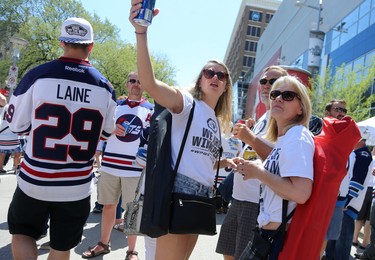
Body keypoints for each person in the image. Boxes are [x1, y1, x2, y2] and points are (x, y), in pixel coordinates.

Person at [6, 17, 117, 260]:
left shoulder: (38, 75)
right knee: (61, 246)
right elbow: (106, 133)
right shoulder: (105, 87)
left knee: (23, 234)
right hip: (76, 185)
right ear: (91, 46)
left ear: (61, 43)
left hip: (35, 178)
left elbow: (16, 124)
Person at [129, 3, 234, 259]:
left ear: (225, 87)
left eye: (222, 75)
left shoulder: (217, 121)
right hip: (177, 192)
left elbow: (200, 160)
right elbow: (150, 84)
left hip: (202, 196)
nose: (216, 77)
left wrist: (227, 162)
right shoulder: (187, 103)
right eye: (209, 72)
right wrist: (141, 33)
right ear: (201, 79)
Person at [233, 75, 314, 259]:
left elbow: (300, 193)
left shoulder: (297, 136)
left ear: (301, 108)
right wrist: (255, 168)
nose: (278, 98)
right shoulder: (286, 138)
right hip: (267, 235)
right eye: (275, 94)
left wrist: (259, 173)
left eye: (288, 95)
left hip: (277, 239)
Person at [216, 65, 288, 259]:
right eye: (264, 81)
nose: (266, 85)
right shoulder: (264, 117)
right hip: (239, 197)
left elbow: (281, 161)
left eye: (273, 82)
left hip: (256, 203)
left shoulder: (283, 119)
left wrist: (251, 139)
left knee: (243, 255)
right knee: (228, 252)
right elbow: (256, 154)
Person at [82, 72, 154, 260]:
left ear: (145, 85)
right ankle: (103, 244)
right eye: (132, 81)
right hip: (110, 165)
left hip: (135, 168)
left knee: (132, 211)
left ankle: (132, 251)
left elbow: (154, 140)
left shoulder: (151, 110)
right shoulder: (114, 107)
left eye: (140, 81)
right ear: (126, 84)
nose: (136, 84)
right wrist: (110, 130)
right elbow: (98, 130)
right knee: (108, 206)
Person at [327, 127, 373, 259]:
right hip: (345, 201)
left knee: (343, 238)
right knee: (335, 235)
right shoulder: (357, 153)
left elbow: (357, 182)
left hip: (348, 203)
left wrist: (346, 201)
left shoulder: (363, 155)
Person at [320, 99, 355, 258]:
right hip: (322, 197)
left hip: (339, 200)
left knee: (328, 237)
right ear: (327, 113)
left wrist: (346, 200)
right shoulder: (320, 137)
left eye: (344, 110)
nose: (341, 113)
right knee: (317, 235)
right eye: (337, 109)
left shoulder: (349, 142)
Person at [355, 147, 375, 259]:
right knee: (370, 221)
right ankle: (367, 249)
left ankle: (367, 249)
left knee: (366, 219)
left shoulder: (371, 157)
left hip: (368, 190)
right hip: (371, 192)